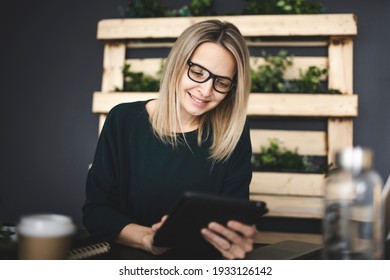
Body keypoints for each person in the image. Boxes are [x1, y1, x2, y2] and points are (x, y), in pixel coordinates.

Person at [82, 19, 256, 259]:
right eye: (197, 72)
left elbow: (232, 220)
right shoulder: (123, 120)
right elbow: (97, 212)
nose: (206, 91)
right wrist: (148, 239)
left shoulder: (232, 133)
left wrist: (235, 237)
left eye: (222, 82)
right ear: (177, 64)